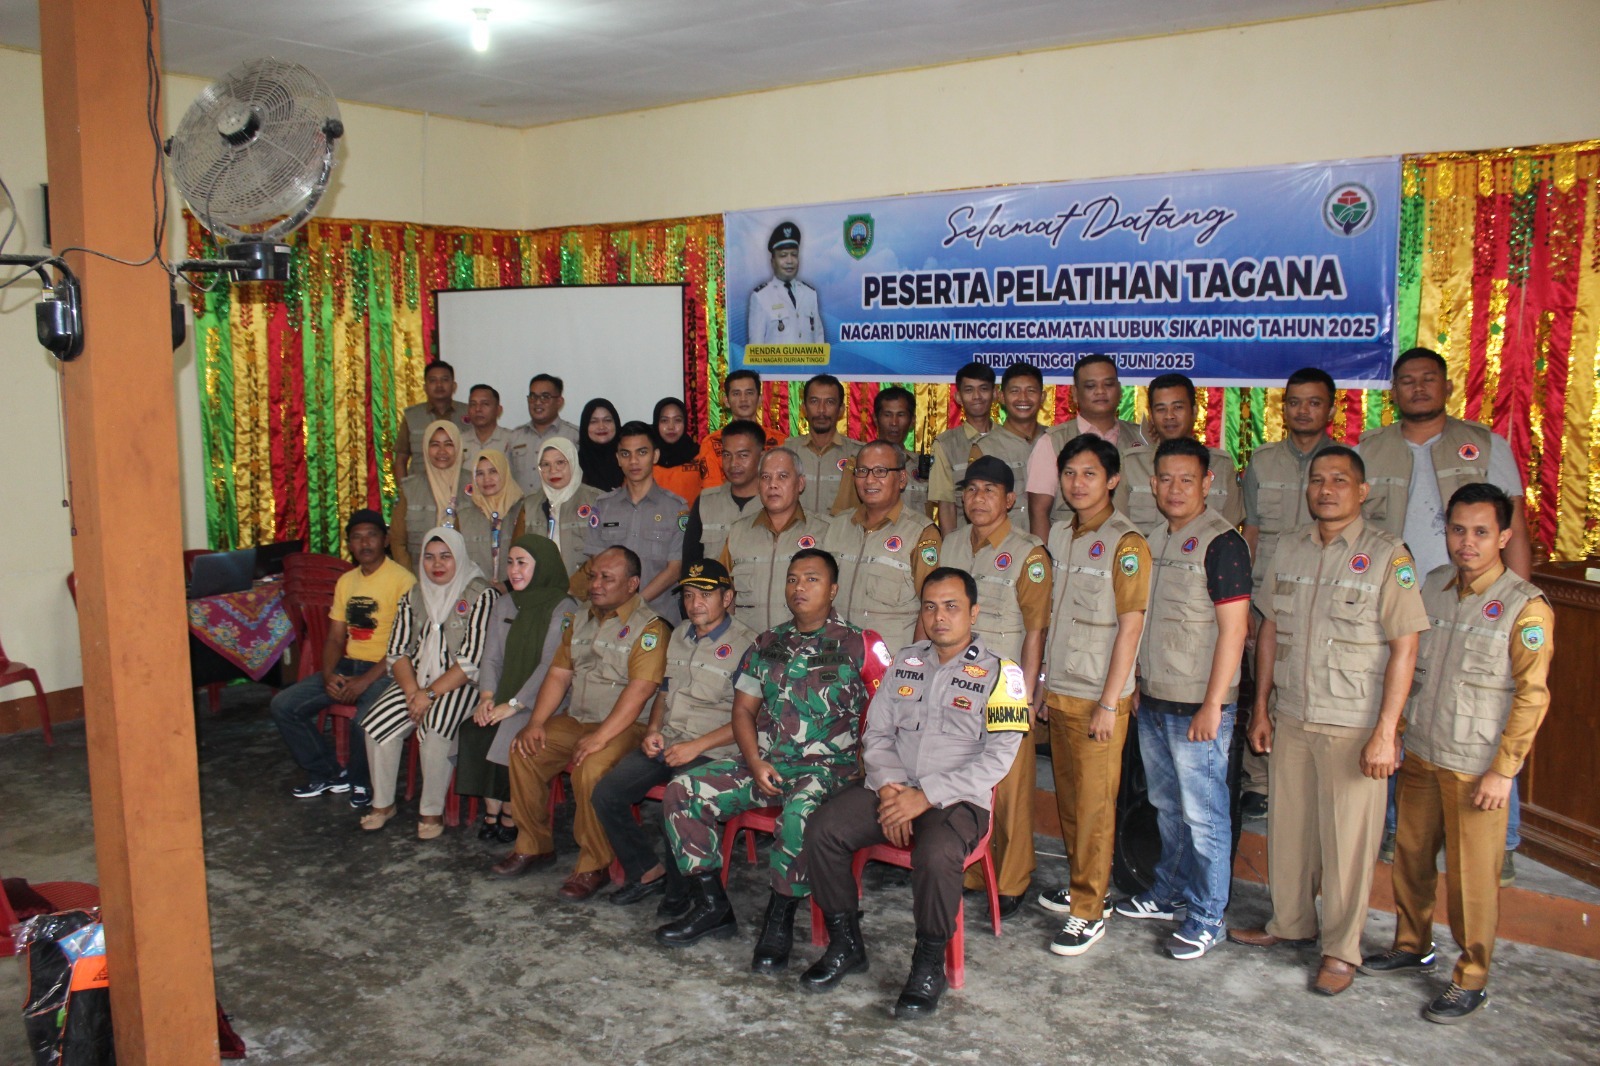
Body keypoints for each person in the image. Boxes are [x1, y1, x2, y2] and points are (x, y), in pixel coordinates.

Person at [1228, 446, 1428, 996]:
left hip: (1354, 723)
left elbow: (1404, 647)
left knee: (1347, 845)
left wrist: (1387, 731)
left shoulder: (1387, 556)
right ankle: (1289, 923)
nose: (1326, 489)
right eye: (1317, 479)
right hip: (1292, 713)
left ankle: (1342, 950)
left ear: (1363, 491)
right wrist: (1262, 706)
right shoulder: (1289, 548)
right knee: (1290, 832)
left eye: (1340, 480)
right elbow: (1268, 629)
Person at [1358, 483, 1553, 1023]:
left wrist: (1504, 771)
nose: (1467, 543)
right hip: (1422, 750)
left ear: (1504, 537)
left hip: (1476, 766)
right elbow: (1414, 667)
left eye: (1482, 532)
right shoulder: (1436, 585)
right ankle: (1412, 943)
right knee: (1411, 861)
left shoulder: (1525, 606)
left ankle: (1471, 976)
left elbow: (1532, 697)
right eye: (1458, 530)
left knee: (1471, 881)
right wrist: (1395, 728)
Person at [799, 567, 1028, 1018]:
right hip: (892, 788)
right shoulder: (905, 662)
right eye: (930, 607)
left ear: (973, 612)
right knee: (824, 828)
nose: (938, 617)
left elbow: (998, 759)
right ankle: (847, 943)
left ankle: (929, 963)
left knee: (937, 854)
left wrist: (925, 797)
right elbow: (877, 734)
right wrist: (891, 791)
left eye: (951, 607)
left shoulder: (1004, 674)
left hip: (957, 801)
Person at [655, 549, 885, 975]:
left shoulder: (862, 644)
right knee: (682, 790)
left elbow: (889, 712)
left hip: (829, 770)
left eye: (812, 579)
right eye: (793, 579)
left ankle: (778, 919)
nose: (800, 588)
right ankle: (711, 907)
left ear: (833, 589)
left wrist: (868, 765)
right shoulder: (766, 643)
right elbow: (742, 712)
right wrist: (754, 760)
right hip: (768, 762)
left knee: (799, 814)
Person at [1357, 347, 1532, 878]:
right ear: (1394, 391)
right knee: (1395, 704)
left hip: (1472, 599)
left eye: (1427, 380)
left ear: (1446, 386)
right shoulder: (1369, 448)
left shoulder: (1484, 445)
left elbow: (1516, 530)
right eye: (1406, 381)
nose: (1417, 388)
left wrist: (1519, 603)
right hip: (1392, 601)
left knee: (1484, 708)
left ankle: (1501, 837)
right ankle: (1396, 827)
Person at [1124, 437, 1251, 959]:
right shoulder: (1151, 539)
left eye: (1187, 480)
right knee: (1166, 806)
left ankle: (1207, 915)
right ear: (1152, 485)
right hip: (1155, 699)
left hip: (1200, 708)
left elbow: (1235, 631)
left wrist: (1213, 704)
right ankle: (1171, 891)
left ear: (1207, 484)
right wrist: (1135, 683)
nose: (1175, 490)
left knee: (1205, 816)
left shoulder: (1223, 543)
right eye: (1166, 480)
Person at [494, 547, 671, 900]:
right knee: (525, 749)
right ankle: (534, 844)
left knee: (590, 768)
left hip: (626, 727)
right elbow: (559, 675)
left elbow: (640, 692)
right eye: (593, 576)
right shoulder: (579, 618)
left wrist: (600, 738)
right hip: (577, 719)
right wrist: (537, 722)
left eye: (608, 578)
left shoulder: (650, 628)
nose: (596, 584)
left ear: (632, 584)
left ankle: (594, 864)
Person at [591, 560, 760, 915]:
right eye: (688, 594)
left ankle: (680, 892)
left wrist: (695, 747)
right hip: (671, 739)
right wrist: (653, 731)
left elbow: (751, 718)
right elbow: (664, 694)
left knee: (677, 793)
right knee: (607, 792)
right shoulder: (680, 635)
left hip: (715, 750)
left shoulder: (749, 645)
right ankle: (647, 871)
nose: (695, 603)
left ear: (728, 597)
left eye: (706, 594)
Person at [1037, 435, 1150, 956]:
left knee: (1096, 806)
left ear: (1112, 480)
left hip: (1097, 698)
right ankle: (1089, 884)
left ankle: (1089, 910)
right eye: (1069, 474)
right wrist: (1039, 684)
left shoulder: (1127, 544)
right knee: (1072, 803)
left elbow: (1131, 626)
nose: (1077, 484)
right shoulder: (1060, 534)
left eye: (1088, 474)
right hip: (1059, 688)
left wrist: (1111, 702)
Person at [935, 455, 1049, 919]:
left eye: (989, 490)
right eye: (971, 489)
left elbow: (1036, 629)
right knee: (962, 775)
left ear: (1009, 499)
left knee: (1011, 786)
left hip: (1004, 689)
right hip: (956, 683)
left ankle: (1012, 877)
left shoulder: (1028, 552)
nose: (977, 499)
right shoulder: (951, 545)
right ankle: (970, 870)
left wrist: (1027, 692)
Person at [1239, 367, 1338, 819]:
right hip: (1268, 590)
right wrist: (1244, 598)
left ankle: (1302, 777)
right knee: (1261, 679)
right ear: (1284, 408)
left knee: (1305, 679)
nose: (1303, 410)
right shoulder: (1262, 461)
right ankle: (1258, 779)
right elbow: (1252, 531)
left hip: (1323, 591)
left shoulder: (1344, 463)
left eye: (1314, 402)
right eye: (1295, 401)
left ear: (1330, 408)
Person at [358, 527, 497, 839]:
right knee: (376, 724)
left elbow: (471, 660)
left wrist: (430, 694)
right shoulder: (415, 593)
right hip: (417, 681)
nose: (437, 565)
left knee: (435, 729)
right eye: (431, 557)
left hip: (463, 684)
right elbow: (397, 651)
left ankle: (431, 810)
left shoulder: (480, 594)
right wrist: (413, 693)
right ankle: (382, 804)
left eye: (446, 557)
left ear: (459, 557)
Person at [270, 509, 413, 806]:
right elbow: (335, 638)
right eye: (357, 538)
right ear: (349, 544)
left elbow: (407, 645)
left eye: (371, 535)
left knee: (365, 720)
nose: (365, 543)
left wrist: (364, 681)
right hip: (350, 664)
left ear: (385, 540)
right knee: (284, 704)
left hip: (387, 669)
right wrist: (328, 675)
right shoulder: (347, 581)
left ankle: (361, 781)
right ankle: (327, 773)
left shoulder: (403, 581)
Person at [457, 534, 578, 844]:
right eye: (510, 563)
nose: (514, 570)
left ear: (543, 566)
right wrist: (486, 697)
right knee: (475, 729)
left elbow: (550, 666)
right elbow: (491, 657)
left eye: (522, 563)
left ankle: (513, 811)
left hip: (546, 700)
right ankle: (492, 808)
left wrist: (514, 704)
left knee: (510, 733)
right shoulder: (506, 602)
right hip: (503, 693)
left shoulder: (564, 607)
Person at [822, 439, 943, 652]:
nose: (869, 480)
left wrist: (913, 663)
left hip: (890, 664)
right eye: (862, 471)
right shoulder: (837, 526)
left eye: (880, 471)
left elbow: (931, 606)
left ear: (902, 479)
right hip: (835, 659)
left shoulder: (921, 534)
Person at [574, 421, 687, 624]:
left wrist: (634, 604)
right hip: (610, 618)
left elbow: (675, 569)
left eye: (642, 452)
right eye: (626, 454)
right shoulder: (602, 506)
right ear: (618, 458)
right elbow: (597, 563)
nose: (633, 461)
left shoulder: (677, 508)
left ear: (655, 455)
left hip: (659, 617)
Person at [1024, 354, 1146, 539]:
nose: (1100, 392)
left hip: (1132, 554)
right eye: (1090, 386)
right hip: (1072, 557)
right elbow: (1038, 513)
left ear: (1120, 390)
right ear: (1074, 393)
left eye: (1108, 384)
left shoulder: (1143, 438)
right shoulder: (1053, 442)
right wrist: (1045, 563)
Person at [718, 448, 829, 634]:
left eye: (782, 476)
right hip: (749, 647)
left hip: (802, 649)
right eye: (765, 477)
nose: (772, 485)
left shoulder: (824, 532)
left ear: (800, 483)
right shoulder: (738, 532)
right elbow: (723, 593)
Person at [1117, 373, 1242, 534]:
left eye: (1178, 407)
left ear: (1195, 411)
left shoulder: (1222, 465)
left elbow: (1229, 528)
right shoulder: (1130, 464)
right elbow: (1120, 529)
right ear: (1151, 416)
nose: (1169, 416)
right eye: (1161, 409)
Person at [832, 387, 931, 518]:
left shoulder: (922, 466)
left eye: (901, 415)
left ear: (912, 420)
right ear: (875, 418)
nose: (894, 422)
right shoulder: (857, 463)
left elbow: (928, 518)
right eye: (887, 415)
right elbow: (843, 516)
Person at [970, 361, 1045, 527]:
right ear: (1001, 397)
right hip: (1004, 546)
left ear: (1043, 397)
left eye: (1031, 391)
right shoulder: (984, 448)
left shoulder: (1056, 441)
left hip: (1054, 545)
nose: (1023, 398)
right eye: (1015, 391)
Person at [683, 419, 765, 568]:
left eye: (743, 455)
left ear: (762, 456)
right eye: (727, 455)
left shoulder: (774, 503)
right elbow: (690, 565)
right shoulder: (706, 502)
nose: (733, 463)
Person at [391, 420, 470, 569]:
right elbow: (397, 541)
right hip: (420, 577)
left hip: (466, 577)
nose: (442, 451)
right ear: (425, 448)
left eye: (448, 444)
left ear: (458, 447)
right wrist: (411, 580)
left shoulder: (474, 484)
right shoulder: (410, 488)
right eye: (434, 444)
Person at [930, 361, 997, 534]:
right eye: (969, 390)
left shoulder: (1011, 440)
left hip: (1009, 545)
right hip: (965, 543)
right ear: (958, 397)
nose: (977, 396)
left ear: (995, 393)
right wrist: (951, 551)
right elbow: (946, 504)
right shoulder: (945, 444)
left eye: (983, 388)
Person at [523, 437, 602, 579]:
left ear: (572, 462)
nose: (553, 470)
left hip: (586, 592)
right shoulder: (530, 505)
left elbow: (606, 554)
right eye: (545, 464)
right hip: (543, 590)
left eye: (560, 462)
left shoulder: (596, 500)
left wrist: (576, 588)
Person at [696, 370, 788, 491]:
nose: (743, 399)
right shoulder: (712, 443)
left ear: (760, 399)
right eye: (736, 393)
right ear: (727, 401)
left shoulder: (780, 441)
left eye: (749, 393)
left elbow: (786, 486)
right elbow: (713, 493)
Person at [792, 374, 863, 516]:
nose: (821, 410)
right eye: (814, 401)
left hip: (842, 537)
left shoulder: (859, 454)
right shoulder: (787, 451)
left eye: (829, 402)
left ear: (841, 409)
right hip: (795, 537)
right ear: (804, 408)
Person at [456, 448, 527, 586]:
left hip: (517, 594)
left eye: (493, 471)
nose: (487, 479)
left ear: (504, 472)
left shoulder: (524, 510)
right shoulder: (463, 516)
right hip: (475, 594)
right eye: (480, 473)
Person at [746, 221, 823, 344]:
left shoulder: (810, 294)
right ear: (773, 261)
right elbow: (756, 351)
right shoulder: (760, 297)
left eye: (794, 255)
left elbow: (819, 342)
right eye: (783, 255)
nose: (789, 261)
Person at [393, 360, 468, 481]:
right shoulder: (412, 416)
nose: (439, 385)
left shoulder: (469, 413)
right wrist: (405, 491)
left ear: (454, 386)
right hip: (421, 489)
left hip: (460, 487)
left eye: (444, 380)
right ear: (425, 387)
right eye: (433, 380)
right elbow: (401, 459)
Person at [506, 373, 580, 494]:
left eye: (545, 397)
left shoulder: (574, 436)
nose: (538, 402)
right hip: (523, 510)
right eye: (533, 397)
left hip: (562, 509)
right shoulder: (515, 437)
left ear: (559, 401)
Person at [652, 397, 706, 504]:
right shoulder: (647, 457)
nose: (671, 427)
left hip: (692, 519)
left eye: (677, 420)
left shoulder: (699, 455)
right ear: (656, 423)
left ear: (685, 422)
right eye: (664, 420)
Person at [459, 384, 516, 474]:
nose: (478, 409)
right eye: (473, 404)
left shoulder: (512, 439)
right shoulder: (459, 442)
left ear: (498, 410)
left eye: (485, 404)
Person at [577, 397, 624, 492]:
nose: (601, 426)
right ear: (585, 426)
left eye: (607, 420)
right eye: (593, 422)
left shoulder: (628, 459)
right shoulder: (575, 465)